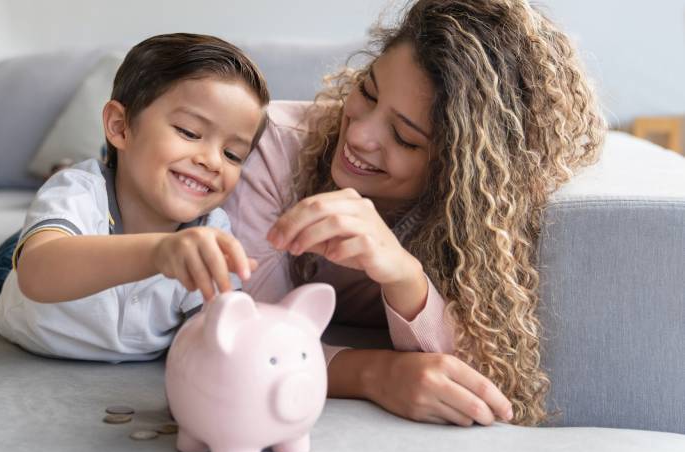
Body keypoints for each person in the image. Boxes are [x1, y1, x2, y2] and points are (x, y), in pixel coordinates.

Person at [222, 0, 605, 427]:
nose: (361, 134)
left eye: (404, 138)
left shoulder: (480, 217)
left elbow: (486, 373)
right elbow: (247, 338)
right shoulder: (272, 147)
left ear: (457, 168)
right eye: (367, 92)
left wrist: (404, 274)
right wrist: (375, 374)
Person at [0, 33, 269, 362]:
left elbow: (217, 336)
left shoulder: (211, 232)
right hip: (15, 281)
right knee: (35, 238)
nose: (211, 161)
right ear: (120, 126)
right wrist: (158, 252)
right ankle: (53, 206)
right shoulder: (80, 191)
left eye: (232, 154)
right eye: (188, 132)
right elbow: (36, 273)